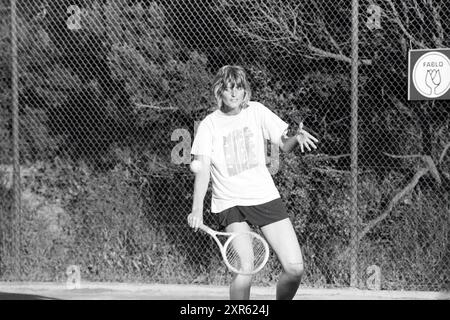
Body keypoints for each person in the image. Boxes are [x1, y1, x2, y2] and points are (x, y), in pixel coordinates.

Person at [187, 65, 318, 300]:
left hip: (263, 196)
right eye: (228, 88)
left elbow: (283, 143)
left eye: (238, 87)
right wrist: (197, 208)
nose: (234, 93)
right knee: (244, 268)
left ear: (245, 90)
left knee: (295, 268)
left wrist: (296, 138)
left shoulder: (257, 111)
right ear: (220, 92)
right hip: (230, 203)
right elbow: (203, 170)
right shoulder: (209, 125)